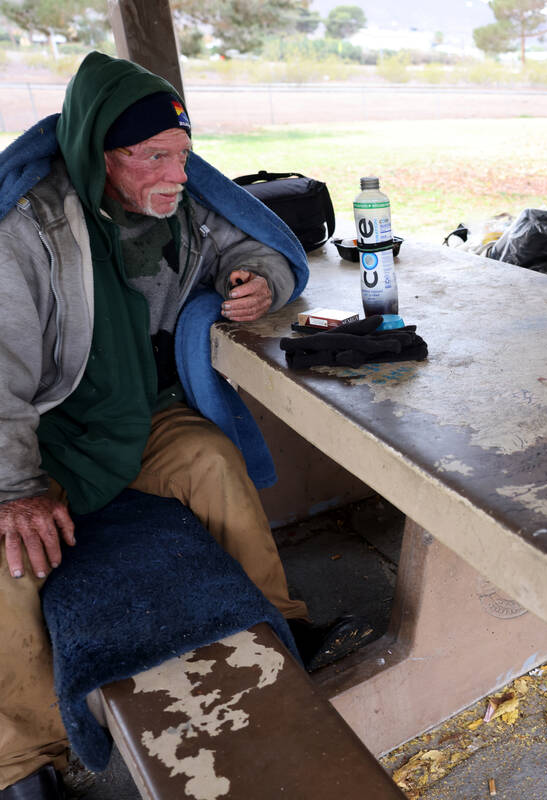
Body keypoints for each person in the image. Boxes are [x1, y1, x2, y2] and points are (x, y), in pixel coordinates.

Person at [0, 53, 363, 799]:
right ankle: (23, 760)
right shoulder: (30, 230)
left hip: (138, 414)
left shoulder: (178, 204)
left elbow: (247, 238)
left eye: (184, 155)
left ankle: (282, 628)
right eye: (153, 156)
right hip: (44, 434)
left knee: (211, 459)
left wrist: (258, 277)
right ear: (99, 150)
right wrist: (16, 486)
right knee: (10, 556)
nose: (176, 174)